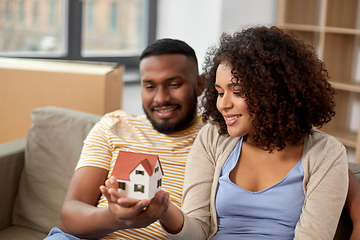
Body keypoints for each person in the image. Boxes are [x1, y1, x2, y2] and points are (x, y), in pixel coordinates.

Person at [152, 26, 350, 239]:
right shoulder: (212, 138)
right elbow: (196, 233)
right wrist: (164, 210)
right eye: (219, 92)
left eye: (237, 92)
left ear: (273, 92)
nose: (223, 104)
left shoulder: (326, 152)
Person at [44, 38, 205, 239]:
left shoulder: (215, 139)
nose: (161, 98)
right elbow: (69, 216)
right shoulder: (115, 125)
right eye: (150, 86)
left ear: (199, 85)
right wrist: (114, 218)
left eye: (173, 84)